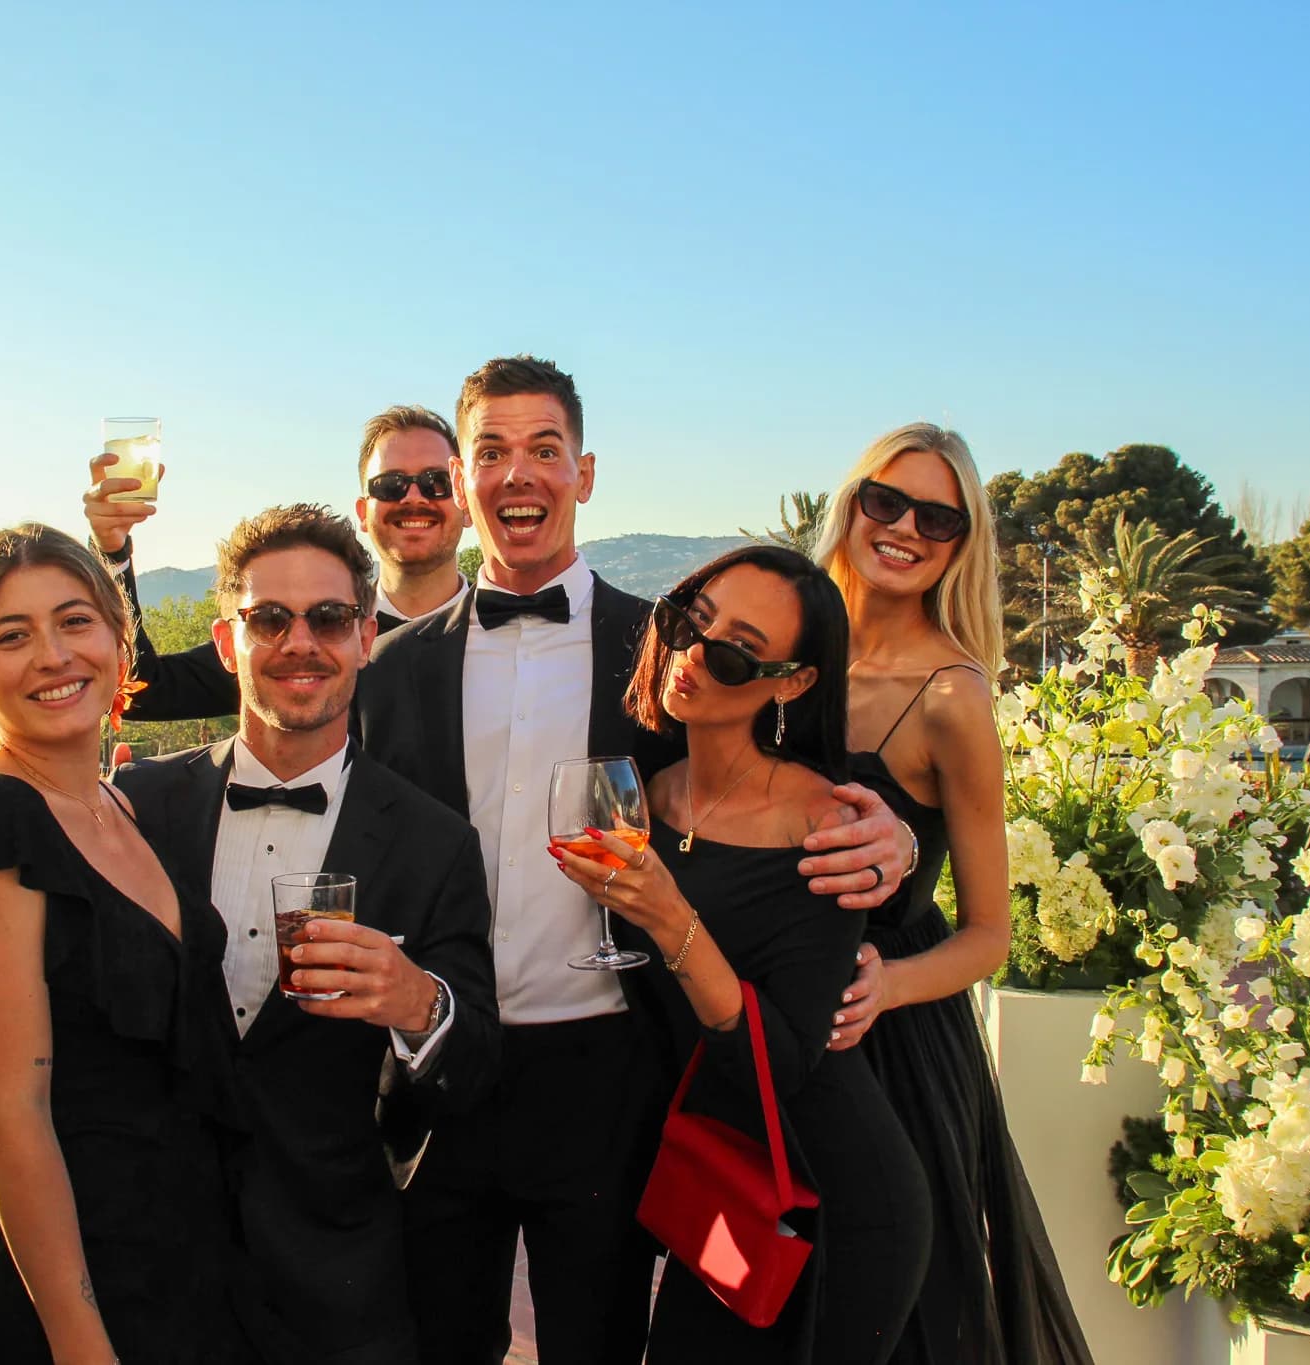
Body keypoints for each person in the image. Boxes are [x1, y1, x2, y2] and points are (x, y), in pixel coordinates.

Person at [356, 355, 919, 1365]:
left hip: (609, 1074)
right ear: (463, 476)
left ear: (585, 472)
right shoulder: (392, 671)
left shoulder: (664, 646)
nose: (517, 474)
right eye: (490, 452)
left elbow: (786, 767)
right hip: (444, 1059)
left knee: (599, 1344)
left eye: (543, 449)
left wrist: (899, 836)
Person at [110, 503, 498, 1364]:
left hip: (340, 1281)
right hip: (155, 1267)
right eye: (269, 618)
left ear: (365, 638)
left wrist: (415, 1000)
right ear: (225, 640)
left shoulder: (435, 841)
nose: (300, 642)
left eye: (327, 618)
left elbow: (474, 1059)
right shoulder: (136, 811)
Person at [0, 523, 255, 1365]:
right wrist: (82, 1342)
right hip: (83, 1299)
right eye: (12, 635)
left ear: (120, 641)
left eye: (75, 621)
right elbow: (15, 1117)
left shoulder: (117, 805)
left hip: (182, 1261)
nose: (53, 655)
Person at [556, 544, 930, 1362]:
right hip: (718, 1173)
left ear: (792, 682)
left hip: (828, 1188)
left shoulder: (825, 824)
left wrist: (669, 917)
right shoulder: (647, 798)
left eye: (733, 651)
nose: (694, 654)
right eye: (694, 619)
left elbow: (789, 1057)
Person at [814, 424, 1092, 1364]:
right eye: (884, 500)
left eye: (937, 515)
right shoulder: (786, 647)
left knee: (890, 1323)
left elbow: (987, 936)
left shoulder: (952, 694)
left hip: (889, 1048)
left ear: (963, 541)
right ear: (851, 505)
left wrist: (887, 986)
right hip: (767, 1017)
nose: (903, 528)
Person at [87, 403, 469, 721]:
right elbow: (142, 691)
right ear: (363, 514)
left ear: (465, 501)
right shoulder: (299, 631)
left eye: (437, 482)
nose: (413, 498)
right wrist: (111, 551)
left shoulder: (522, 638)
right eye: (390, 485)